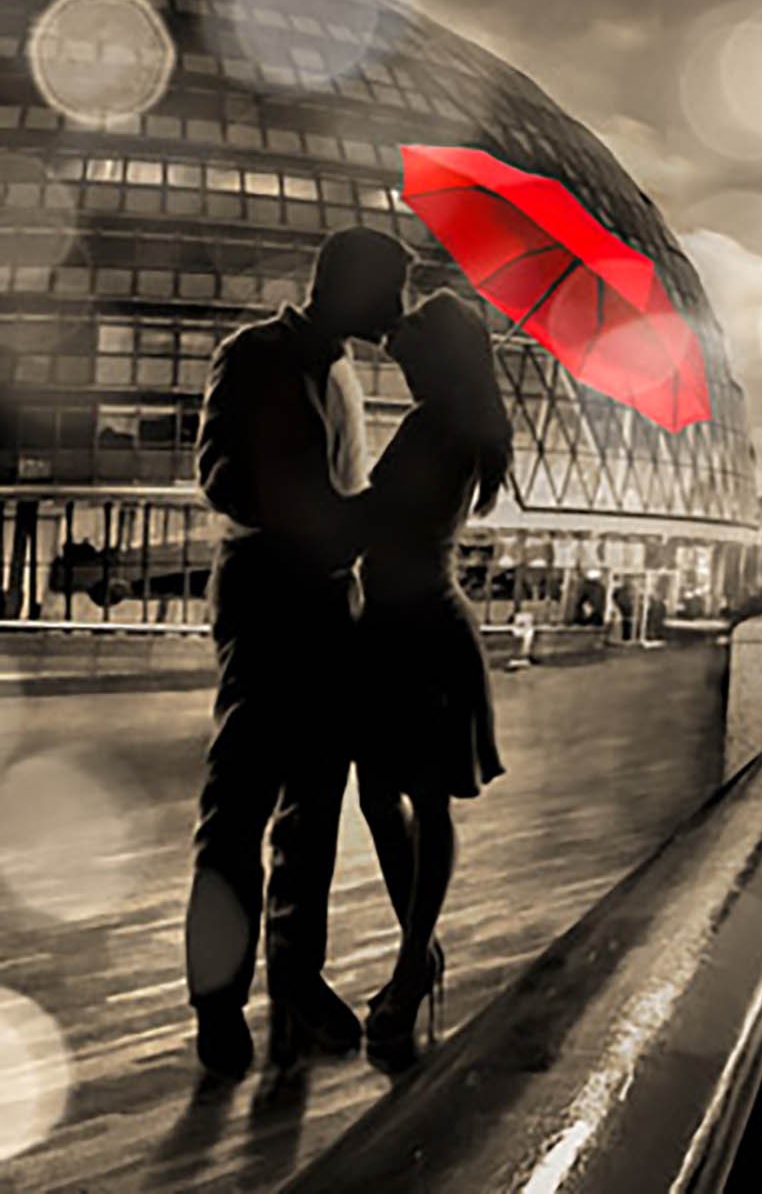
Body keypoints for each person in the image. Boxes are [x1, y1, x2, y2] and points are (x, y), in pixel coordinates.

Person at [185, 227, 412, 1080]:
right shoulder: (254, 355)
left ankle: (296, 979)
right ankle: (216, 1000)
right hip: (268, 599)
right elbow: (221, 476)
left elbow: (341, 493)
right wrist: (315, 515)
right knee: (239, 807)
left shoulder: (346, 374)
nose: (395, 313)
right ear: (349, 287)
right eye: (389, 293)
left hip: (325, 606)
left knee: (312, 812)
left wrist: (357, 518)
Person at [348, 290, 510, 1069]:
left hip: (414, 632)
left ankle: (413, 964)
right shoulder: (453, 427)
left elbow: (377, 522)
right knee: (397, 797)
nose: (397, 359)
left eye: (405, 348)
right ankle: (418, 951)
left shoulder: (434, 428)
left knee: (413, 797)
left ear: (435, 356)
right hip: (404, 628)